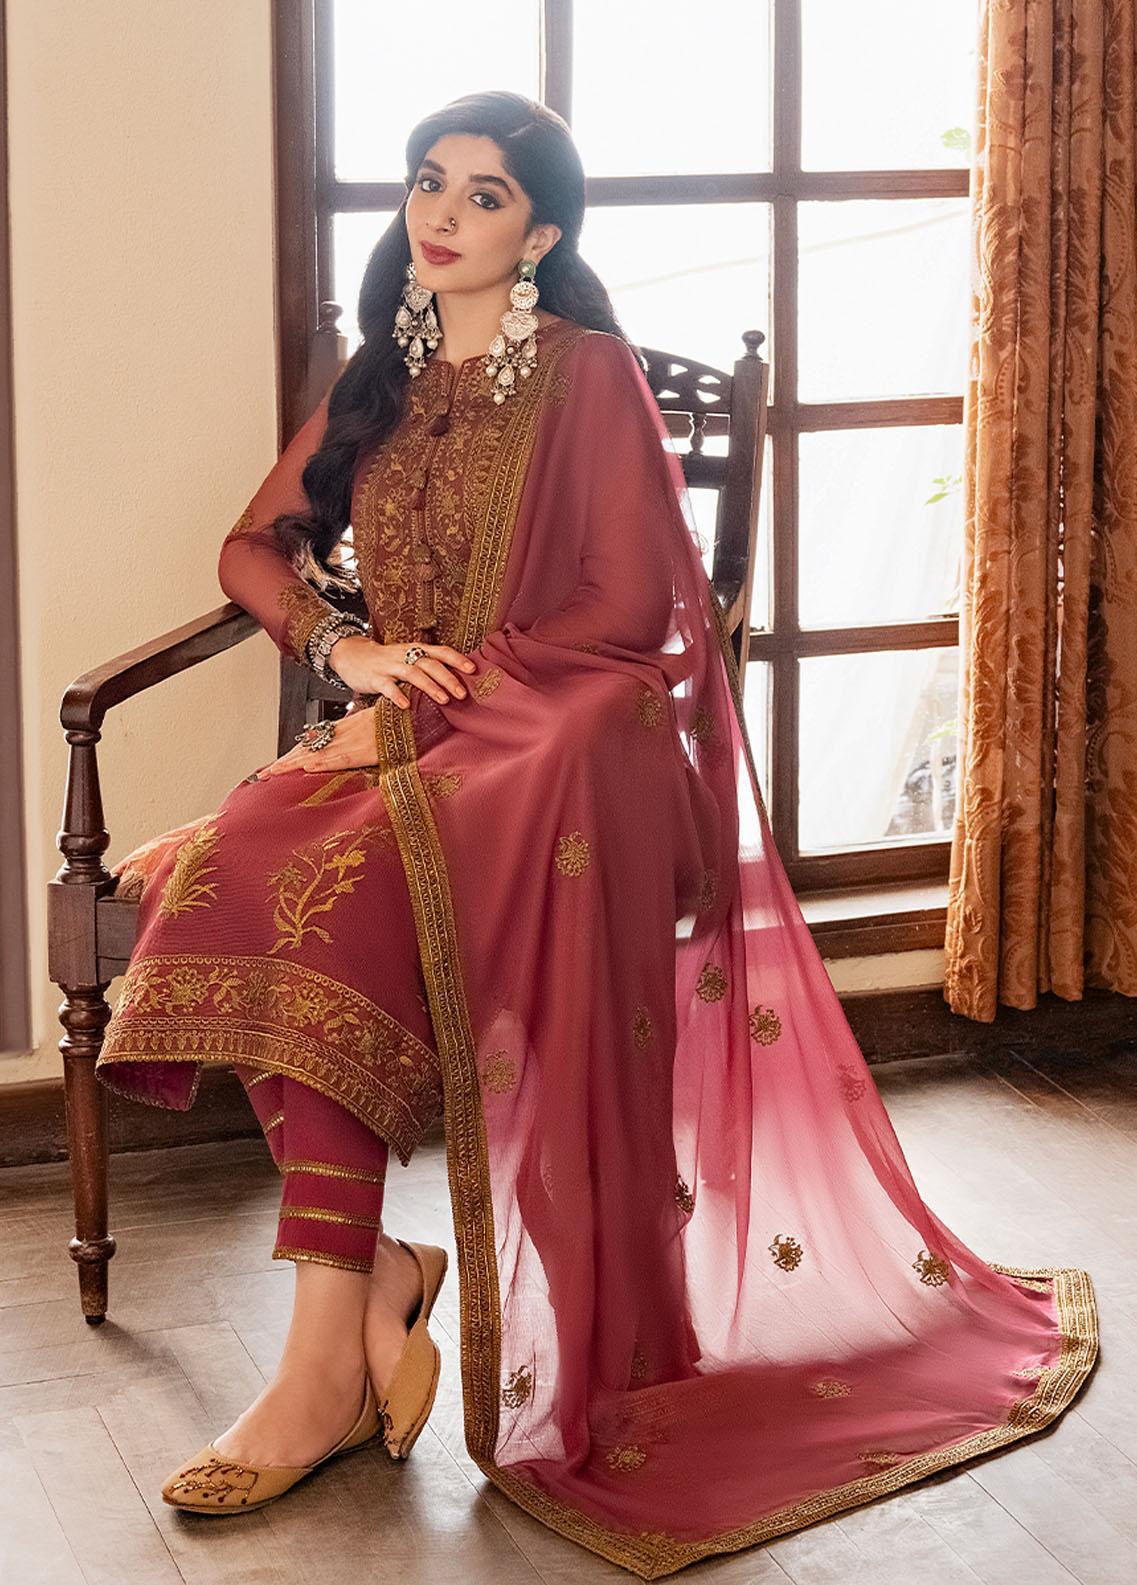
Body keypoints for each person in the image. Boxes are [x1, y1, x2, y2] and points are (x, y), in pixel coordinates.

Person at [94, 91, 1099, 1576]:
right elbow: (252, 546)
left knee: (300, 872)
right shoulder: (382, 376)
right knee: (249, 872)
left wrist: (422, 714)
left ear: (542, 233)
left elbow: (631, 611)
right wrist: (346, 650)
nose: (441, 215)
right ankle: (360, 1298)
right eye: (428, 183)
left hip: (572, 744)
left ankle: (328, 1362)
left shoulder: (589, 371)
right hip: (418, 733)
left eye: (484, 195)